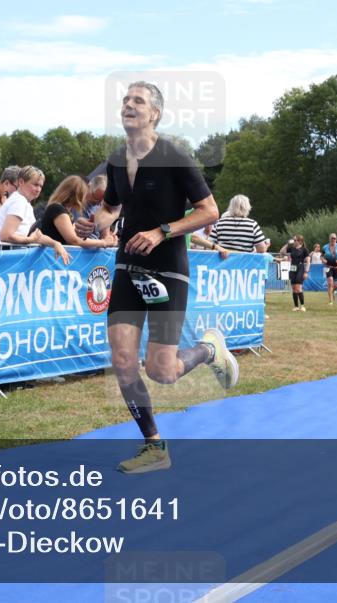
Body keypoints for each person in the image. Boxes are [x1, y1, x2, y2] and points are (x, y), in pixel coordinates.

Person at [92, 81, 238, 474]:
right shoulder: (117, 161)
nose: (128, 105)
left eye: (137, 101)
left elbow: (209, 211)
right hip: (126, 267)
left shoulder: (174, 156)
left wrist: (162, 231)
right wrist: (98, 221)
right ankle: (154, 446)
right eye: (125, 100)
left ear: (154, 113)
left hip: (168, 269)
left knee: (161, 371)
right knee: (123, 359)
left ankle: (209, 350)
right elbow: (110, 206)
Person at [0, 165, 70, 264]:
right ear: (21, 182)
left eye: (41, 186)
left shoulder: (24, 203)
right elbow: (6, 236)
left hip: (6, 256)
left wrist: (55, 244)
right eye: (35, 185)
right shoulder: (19, 201)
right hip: (2, 257)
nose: (38, 189)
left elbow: (37, 235)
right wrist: (29, 240)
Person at [40, 176, 117, 249]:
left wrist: (108, 240)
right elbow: (74, 240)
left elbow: (76, 239)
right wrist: (104, 243)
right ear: (77, 195)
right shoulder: (57, 209)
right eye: (84, 194)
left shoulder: (63, 211)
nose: (85, 198)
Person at [279, 234, 311, 312]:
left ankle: (302, 306)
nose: (294, 241)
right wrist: (287, 244)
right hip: (293, 268)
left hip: (300, 268)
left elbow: (308, 261)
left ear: (300, 241)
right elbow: (281, 252)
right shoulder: (292, 248)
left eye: (295, 240)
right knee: (294, 288)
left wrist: (306, 271)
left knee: (298, 288)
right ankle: (296, 306)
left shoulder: (304, 250)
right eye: (293, 240)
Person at [322, 233, 337, 305]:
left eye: (335, 238)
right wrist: (323, 260)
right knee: (330, 283)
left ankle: (336, 295)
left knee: (336, 285)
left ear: (336, 239)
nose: (333, 239)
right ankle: (330, 301)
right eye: (332, 238)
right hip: (328, 267)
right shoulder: (325, 247)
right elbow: (322, 256)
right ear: (329, 239)